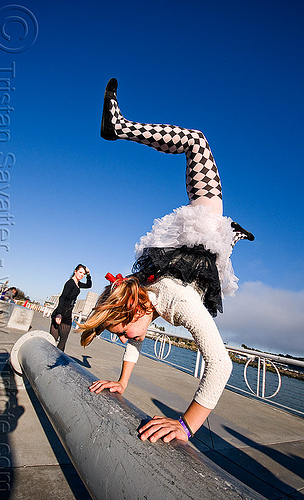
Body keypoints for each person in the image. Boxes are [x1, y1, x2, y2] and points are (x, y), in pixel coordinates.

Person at [80, 78, 254, 443]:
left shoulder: (173, 301)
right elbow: (135, 337)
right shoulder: (142, 301)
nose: (127, 338)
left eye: (122, 330)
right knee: (218, 250)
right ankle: (230, 234)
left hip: (194, 247)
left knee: (196, 141)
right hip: (196, 260)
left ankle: (120, 128)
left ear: (132, 310)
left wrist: (186, 424)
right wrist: (123, 382)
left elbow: (221, 365)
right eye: (121, 335)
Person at [50, 264, 92, 351]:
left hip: (68, 314)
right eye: (80, 272)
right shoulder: (70, 283)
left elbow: (89, 285)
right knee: (52, 340)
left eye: (83, 274)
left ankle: (57, 360)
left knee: (63, 340)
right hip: (60, 313)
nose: (81, 275)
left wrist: (88, 274)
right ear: (75, 271)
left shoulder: (78, 284)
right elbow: (62, 297)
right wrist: (59, 314)